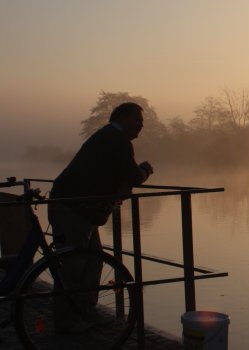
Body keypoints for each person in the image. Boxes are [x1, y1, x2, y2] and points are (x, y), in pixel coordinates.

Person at [48, 102, 154, 333]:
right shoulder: (117, 140)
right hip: (73, 208)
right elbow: (132, 175)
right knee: (74, 265)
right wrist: (145, 170)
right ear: (123, 118)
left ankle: (84, 312)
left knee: (92, 260)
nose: (141, 125)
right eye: (138, 120)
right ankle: (67, 322)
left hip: (77, 207)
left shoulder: (107, 137)